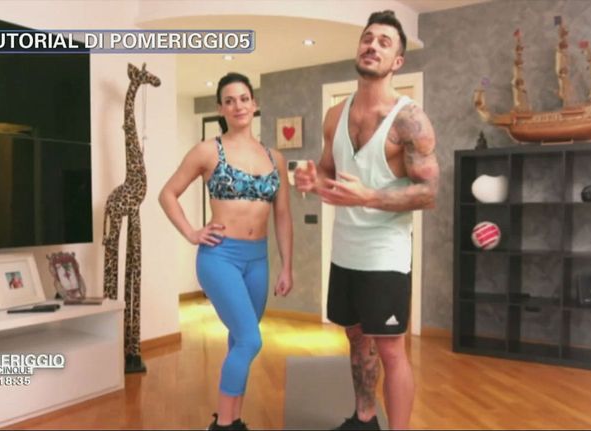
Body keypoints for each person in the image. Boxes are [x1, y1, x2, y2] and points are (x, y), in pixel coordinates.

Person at [294, 10, 439, 431]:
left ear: (397, 61)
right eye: (368, 38)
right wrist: (312, 180)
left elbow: (429, 192)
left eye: (384, 42)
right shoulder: (335, 115)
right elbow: (327, 171)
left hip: (385, 254)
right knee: (356, 338)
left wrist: (369, 196)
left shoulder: (410, 120)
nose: (372, 45)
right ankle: (364, 418)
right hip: (345, 250)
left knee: (391, 349)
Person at [159, 72, 293, 431]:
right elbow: (167, 193)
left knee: (238, 341)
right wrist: (191, 232)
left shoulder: (275, 158)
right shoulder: (208, 150)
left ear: (255, 103)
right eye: (229, 100)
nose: (238, 106)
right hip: (220, 258)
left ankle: (232, 419)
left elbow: (282, 215)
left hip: (258, 260)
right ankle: (223, 426)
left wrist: (287, 266)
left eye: (244, 98)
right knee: (250, 339)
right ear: (220, 108)